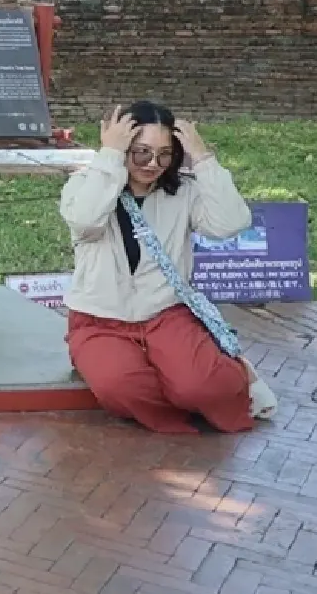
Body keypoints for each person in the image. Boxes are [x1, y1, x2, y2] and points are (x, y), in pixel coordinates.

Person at [59, 101, 273, 433]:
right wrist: (108, 159)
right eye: (141, 153)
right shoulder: (87, 185)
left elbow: (232, 223)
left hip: (166, 313)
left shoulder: (183, 192)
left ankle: (224, 377)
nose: (153, 164)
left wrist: (203, 160)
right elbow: (86, 221)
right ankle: (179, 397)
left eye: (164, 154)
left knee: (201, 386)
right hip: (99, 319)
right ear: (121, 148)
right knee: (120, 389)